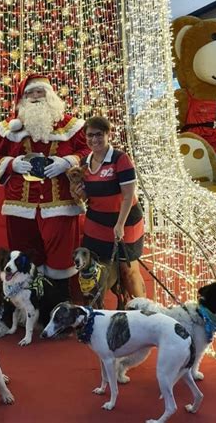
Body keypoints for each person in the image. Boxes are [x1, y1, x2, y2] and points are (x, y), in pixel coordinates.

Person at [0, 74, 90, 322]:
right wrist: (12, 164)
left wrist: (67, 162)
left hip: (59, 206)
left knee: (60, 259)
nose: (36, 97)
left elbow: (88, 149)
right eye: (30, 93)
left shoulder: (72, 126)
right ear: (22, 99)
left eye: (40, 92)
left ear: (51, 95)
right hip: (20, 206)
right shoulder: (7, 129)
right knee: (24, 258)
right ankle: (27, 314)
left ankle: (57, 313)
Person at [75, 116, 146, 302]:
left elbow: (128, 196)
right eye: (90, 135)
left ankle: (144, 310)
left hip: (125, 222)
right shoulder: (84, 163)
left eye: (99, 134)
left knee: (128, 271)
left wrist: (120, 225)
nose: (94, 139)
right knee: (94, 272)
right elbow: (87, 197)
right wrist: (79, 193)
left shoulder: (120, 159)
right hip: (96, 224)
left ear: (108, 134)